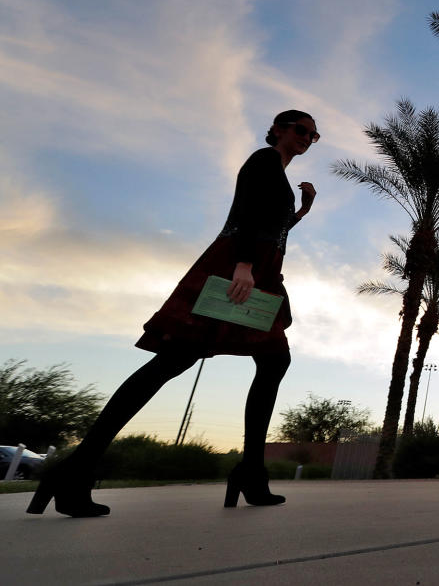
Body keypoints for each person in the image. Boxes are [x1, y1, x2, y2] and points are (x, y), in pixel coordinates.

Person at [28, 110, 320, 517]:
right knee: (175, 361)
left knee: (270, 361)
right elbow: (247, 216)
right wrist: (242, 266)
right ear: (278, 130)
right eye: (300, 129)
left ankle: (250, 471)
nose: (307, 137)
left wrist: (301, 212)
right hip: (241, 268)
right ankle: (76, 470)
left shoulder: (278, 174)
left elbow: (271, 225)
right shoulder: (263, 160)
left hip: (258, 269)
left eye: (314, 134)